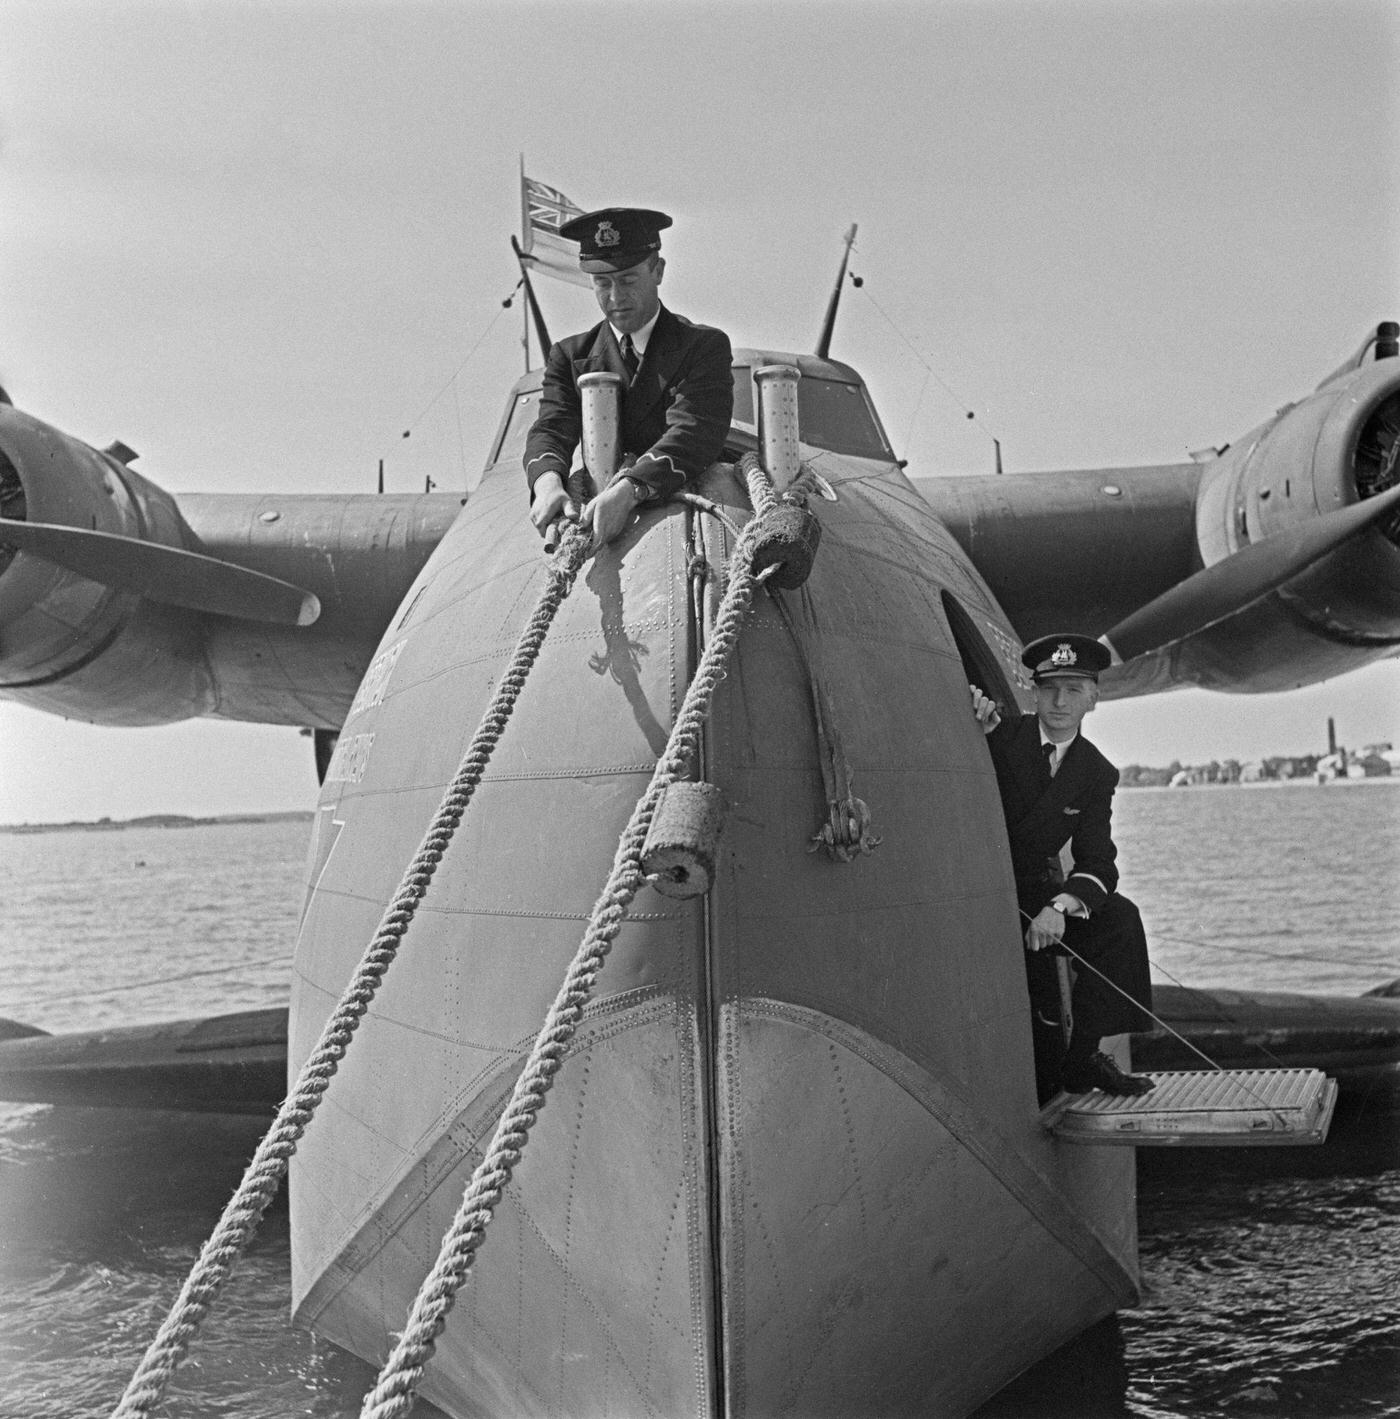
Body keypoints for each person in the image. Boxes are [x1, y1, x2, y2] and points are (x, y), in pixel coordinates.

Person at [970, 633, 1155, 1096]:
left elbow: (1099, 860)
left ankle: (1084, 1058)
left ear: (1092, 699)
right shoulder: (997, 734)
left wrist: (1062, 906)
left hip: (1034, 898)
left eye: (1073, 690)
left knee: (1121, 920)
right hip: (981, 887)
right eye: (1050, 688)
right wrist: (966, 705)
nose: (1059, 701)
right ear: (1034, 690)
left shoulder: (1096, 772)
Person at [523, 207, 734, 548]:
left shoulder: (704, 347)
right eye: (602, 283)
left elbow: (696, 430)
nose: (615, 297)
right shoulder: (570, 356)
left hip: (677, 506)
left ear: (659, 271)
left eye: (628, 280)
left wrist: (630, 489)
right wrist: (547, 482)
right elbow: (551, 428)